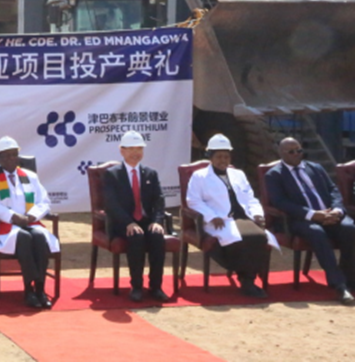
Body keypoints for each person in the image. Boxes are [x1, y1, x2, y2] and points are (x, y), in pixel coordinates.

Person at [266, 137, 355, 306]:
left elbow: (333, 190)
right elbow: (280, 202)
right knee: (316, 232)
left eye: (299, 150)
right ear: (281, 153)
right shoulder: (274, 175)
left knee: (349, 228)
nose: (296, 154)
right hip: (299, 220)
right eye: (291, 151)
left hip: (329, 214)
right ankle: (339, 285)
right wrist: (312, 215)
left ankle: (349, 278)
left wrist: (337, 210)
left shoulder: (315, 168)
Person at [0, 136, 60, 309]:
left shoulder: (30, 176)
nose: (11, 159)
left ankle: (40, 289)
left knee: (39, 237)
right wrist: (12, 216)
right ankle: (28, 290)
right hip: (4, 225)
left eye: (14, 154)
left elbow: (44, 202)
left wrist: (31, 216)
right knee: (23, 237)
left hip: (30, 222)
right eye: (6, 155)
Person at [186, 134, 270, 298]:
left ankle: (248, 277)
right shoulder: (199, 176)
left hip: (243, 217)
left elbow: (250, 197)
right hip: (220, 219)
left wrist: (257, 214)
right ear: (210, 157)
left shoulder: (238, 174)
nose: (223, 160)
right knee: (244, 238)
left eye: (226, 156)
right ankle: (246, 280)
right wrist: (211, 216)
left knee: (260, 236)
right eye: (219, 156)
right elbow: (193, 201)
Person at [103, 131, 170, 303]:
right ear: (122, 151)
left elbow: (159, 200)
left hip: (146, 221)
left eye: (139, 148)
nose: (135, 152)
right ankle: (137, 286)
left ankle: (156, 286)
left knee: (157, 236)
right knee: (136, 236)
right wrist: (128, 223)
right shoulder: (112, 174)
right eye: (131, 148)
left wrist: (157, 221)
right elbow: (111, 204)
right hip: (123, 223)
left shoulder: (151, 173)